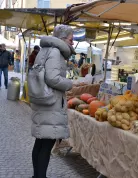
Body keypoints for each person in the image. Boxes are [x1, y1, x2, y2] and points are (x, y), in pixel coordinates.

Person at [30, 24, 75, 178]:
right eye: (71, 39)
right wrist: (69, 84)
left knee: (40, 143)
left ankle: (37, 176)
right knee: (46, 145)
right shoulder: (56, 52)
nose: (72, 43)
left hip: (43, 99)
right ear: (63, 39)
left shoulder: (45, 49)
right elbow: (53, 78)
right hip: (51, 103)